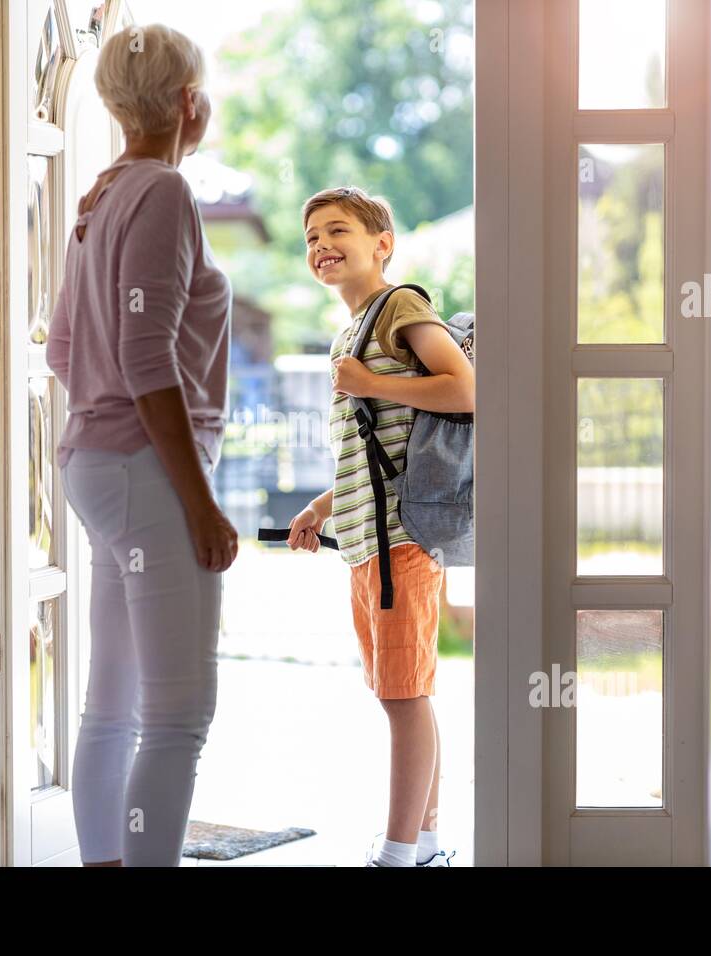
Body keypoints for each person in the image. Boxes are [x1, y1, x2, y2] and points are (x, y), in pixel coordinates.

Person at [45, 24, 238, 867]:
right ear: (188, 103)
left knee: (113, 706)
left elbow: (59, 349)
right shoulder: (161, 192)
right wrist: (201, 503)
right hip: (147, 473)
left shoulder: (100, 196)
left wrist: (103, 409)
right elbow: (147, 355)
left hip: (98, 464)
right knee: (178, 714)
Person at [288, 186, 475, 867]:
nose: (320, 245)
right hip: (370, 545)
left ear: (382, 244)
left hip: (401, 543)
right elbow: (373, 452)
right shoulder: (354, 328)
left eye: (336, 230)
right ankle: (424, 841)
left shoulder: (399, 307)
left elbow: (467, 388)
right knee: (407, 692)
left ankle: (398, 854)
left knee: (403, 697)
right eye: (310, 236)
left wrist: (371, 384)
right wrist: (318, 510)